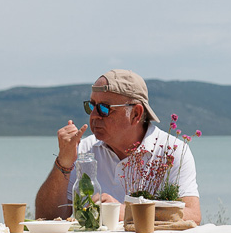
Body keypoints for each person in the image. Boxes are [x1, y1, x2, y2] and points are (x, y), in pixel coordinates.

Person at [35, 70, 201, 223]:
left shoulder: (171, 151)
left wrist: (126, 212)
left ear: (136, 114)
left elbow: (192, 215)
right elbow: (45, 218)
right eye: (91, 105)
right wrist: (63, 163)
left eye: (103, 108)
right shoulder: (84, 149)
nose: (93, 116)